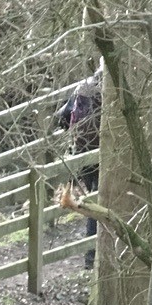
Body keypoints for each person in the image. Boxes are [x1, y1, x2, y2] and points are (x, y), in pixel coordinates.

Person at [55, 66, 102, 269]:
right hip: (102, 153)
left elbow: (62, 117)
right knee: (100, 200)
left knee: (92, 198)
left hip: (83, 152)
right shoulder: (111, 91)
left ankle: (90, 257)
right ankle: (94, 254)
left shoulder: (82, 88)